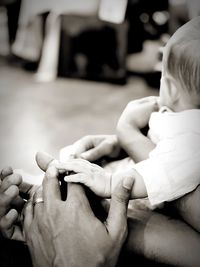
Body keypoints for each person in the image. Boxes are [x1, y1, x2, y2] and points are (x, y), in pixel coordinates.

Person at [56, 16, 200, 208]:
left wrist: (108, 182)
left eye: (162, 76)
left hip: (137, 198)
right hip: (127, 170)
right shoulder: (184, 121)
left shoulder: (190, 138)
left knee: (74, 191)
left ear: (172, 89)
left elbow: (161, 173)